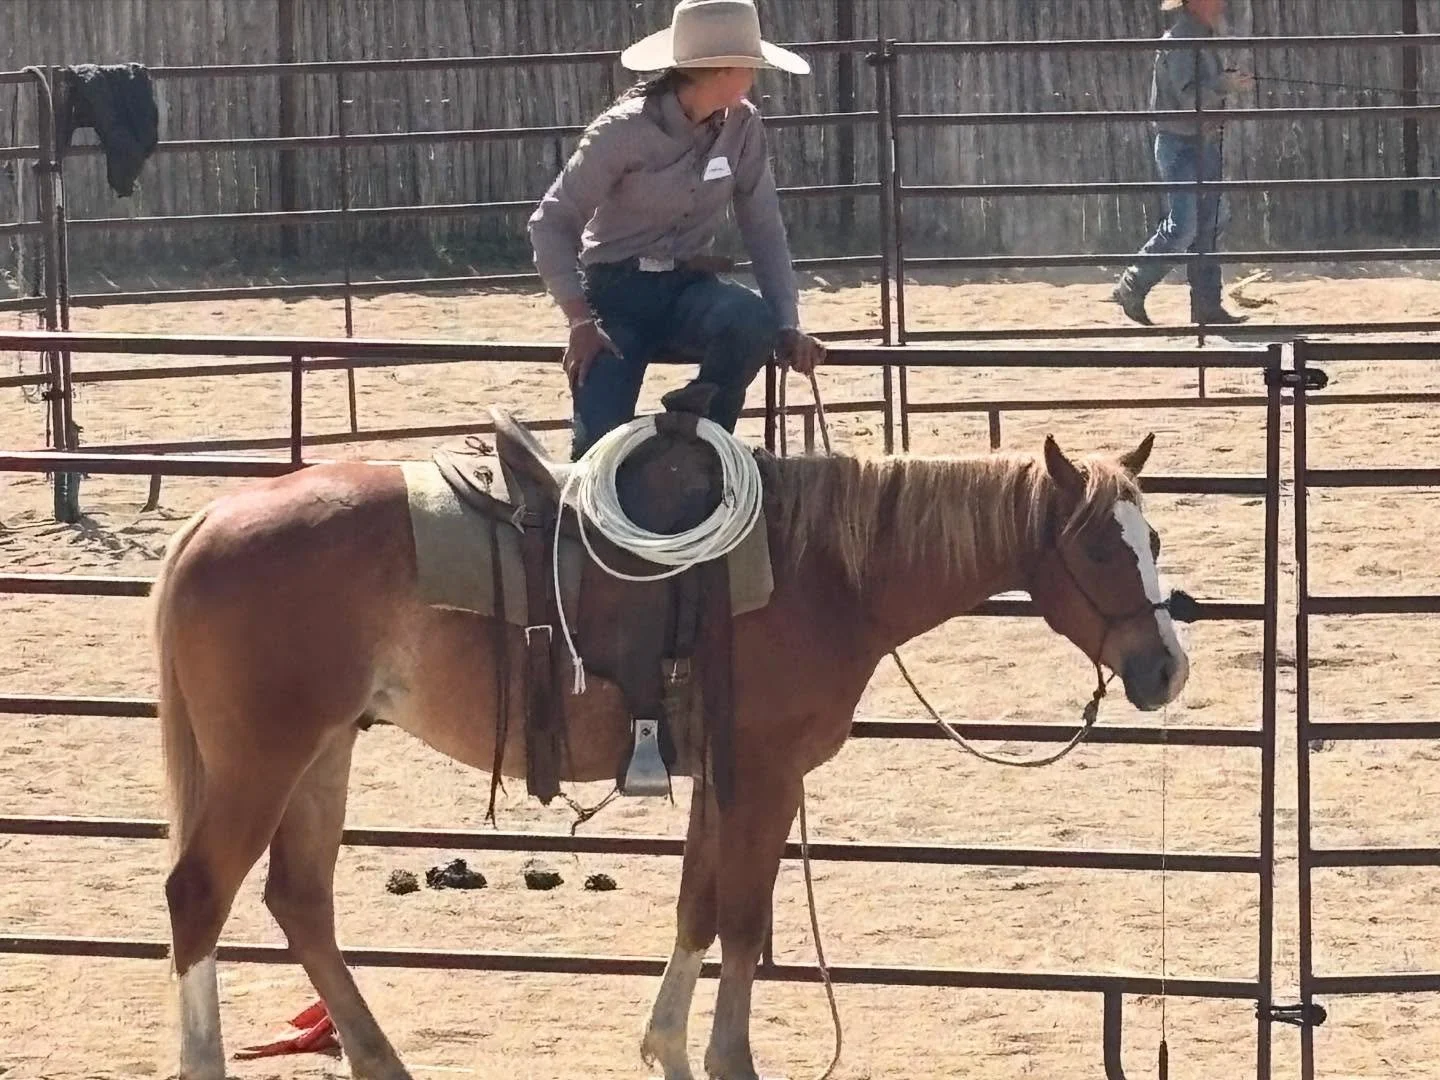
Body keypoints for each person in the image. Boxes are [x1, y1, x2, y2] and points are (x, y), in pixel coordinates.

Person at [528, 0, 827, 460]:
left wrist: (787, 323)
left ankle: (701, 438)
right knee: (597, 447)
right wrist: (580, 321)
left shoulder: (743, 127)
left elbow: (764, 227)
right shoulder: (622, 131)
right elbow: (552, 222)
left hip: (688, 287)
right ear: (724, 72)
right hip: (614, 296)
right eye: (750, 66)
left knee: (752, 321)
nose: (754, 77)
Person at [1113, 0, 1254, 327]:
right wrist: (1225, 85)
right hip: (1180, 144)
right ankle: (1133, 283)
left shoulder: (1201, 38)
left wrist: (1224, 82)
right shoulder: (1178, 42)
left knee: (1208, 224)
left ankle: (1206, 306)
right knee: (1185, 225)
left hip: (1200, 141)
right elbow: (1188, 97)